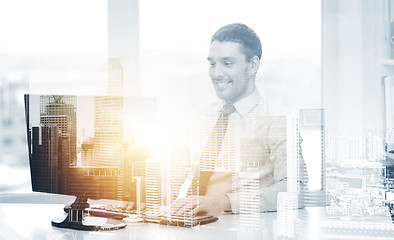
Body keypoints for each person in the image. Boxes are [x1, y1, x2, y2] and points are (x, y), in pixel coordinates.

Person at [171, 23, 306, 216]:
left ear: (252, 65)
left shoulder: (277, 120)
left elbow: (295, 190)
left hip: (243, 228)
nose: (216, 73)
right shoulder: (200, 116)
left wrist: (223, 202)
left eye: (227, 63)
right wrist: (150, 197)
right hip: (191, 225)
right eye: (212, 63)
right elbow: (176, 174)